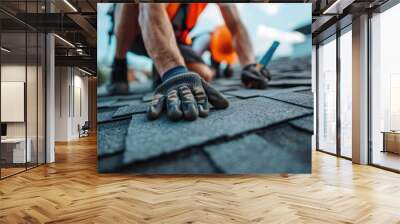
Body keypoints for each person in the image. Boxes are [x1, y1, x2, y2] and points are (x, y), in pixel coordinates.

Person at [109, 3, 271, 121]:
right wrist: (175, 72)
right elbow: (149, 7)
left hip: (170, 35)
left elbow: (235, 25)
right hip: (134, 30)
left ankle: (159, 67)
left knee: (203, 75)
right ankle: (119, 65)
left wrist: (249, 64)